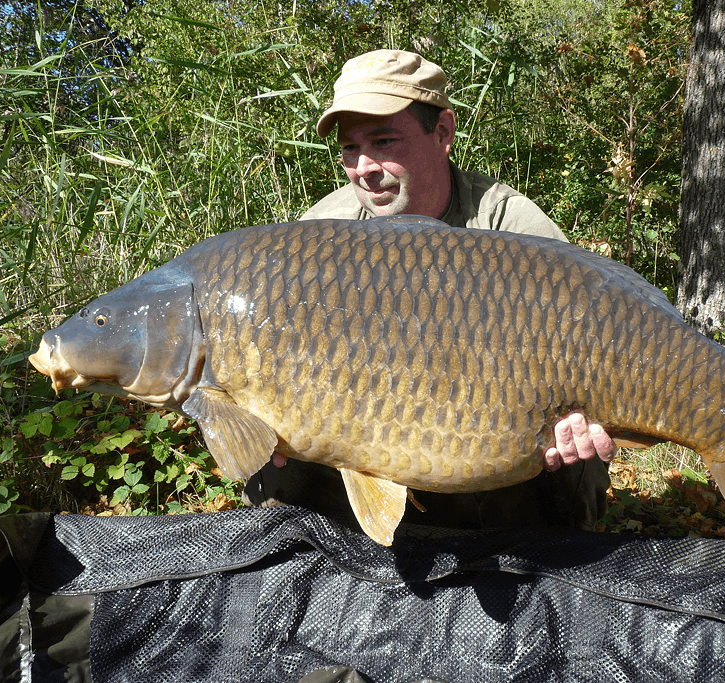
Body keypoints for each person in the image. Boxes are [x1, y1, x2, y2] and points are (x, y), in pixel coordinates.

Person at [242, 49, 615, 531]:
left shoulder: (510, 225)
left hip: (493, 436)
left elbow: (598, 332)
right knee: (275, 454)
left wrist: (586, 416)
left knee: (566, 456)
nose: (364, 168)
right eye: (350, 148)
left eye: (383, 141)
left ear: (442, 133)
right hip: (372, 424)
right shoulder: (322, 232)